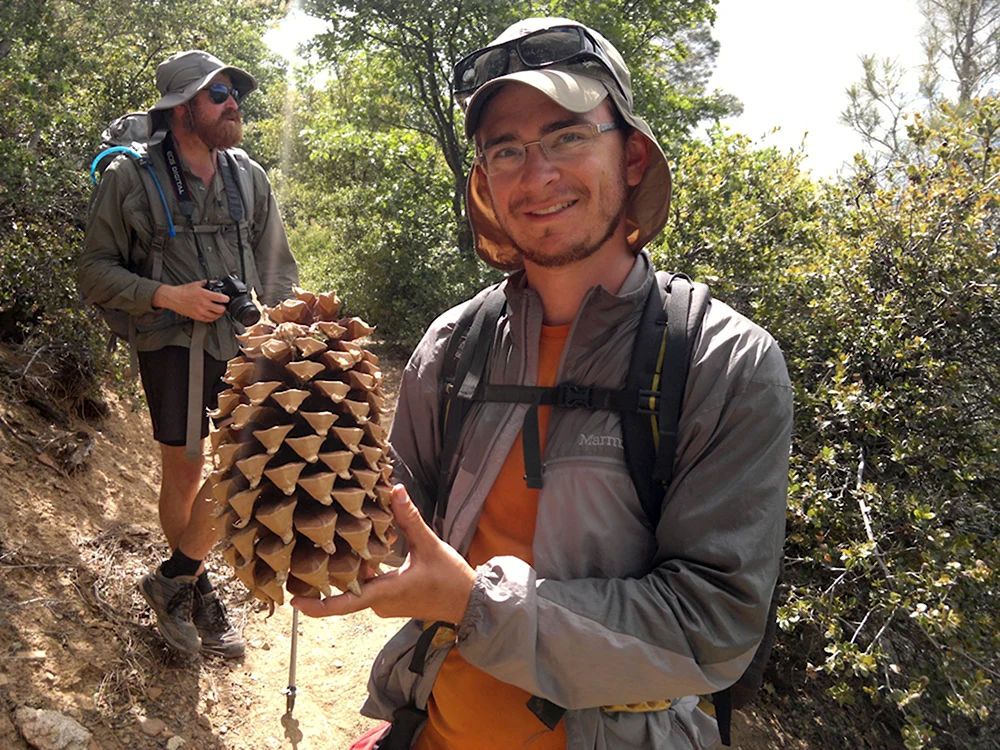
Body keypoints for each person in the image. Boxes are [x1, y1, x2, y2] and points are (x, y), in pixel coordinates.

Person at [292, 17, 792, 749]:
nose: (537, 174)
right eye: (506, 150)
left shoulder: (722, 363)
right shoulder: (452, 346)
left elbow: (713, 628)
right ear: (484, 183)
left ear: (632, 156)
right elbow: (390, 528)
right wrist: (276, 491)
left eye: (568, 137)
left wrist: (472, 605)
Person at [79, 50, 298, 658]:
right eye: (219, 95)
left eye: (235, 94)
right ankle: (196, 594)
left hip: (242, 342)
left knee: (243, 464)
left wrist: (285, 331)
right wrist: (167, 295)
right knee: (184, 470)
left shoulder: (248, 176)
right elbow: (93, 270)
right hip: (169, 344)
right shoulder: (132, 178)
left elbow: (277, 267)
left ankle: (176, 578)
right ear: (182, 109)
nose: (234, 105)